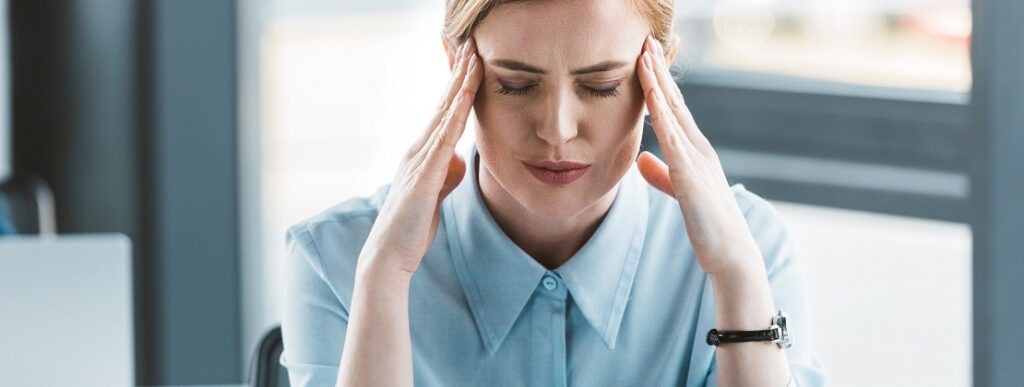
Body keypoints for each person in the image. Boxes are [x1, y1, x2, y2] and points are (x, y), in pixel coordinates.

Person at [280, 0, 827, 386]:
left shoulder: (750, 249)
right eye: (516, 85)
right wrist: (384, 277)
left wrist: (735, 279)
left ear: (658, 72)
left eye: (601, 85)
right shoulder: (336, 258)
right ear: (457, 69)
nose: (557, 129)